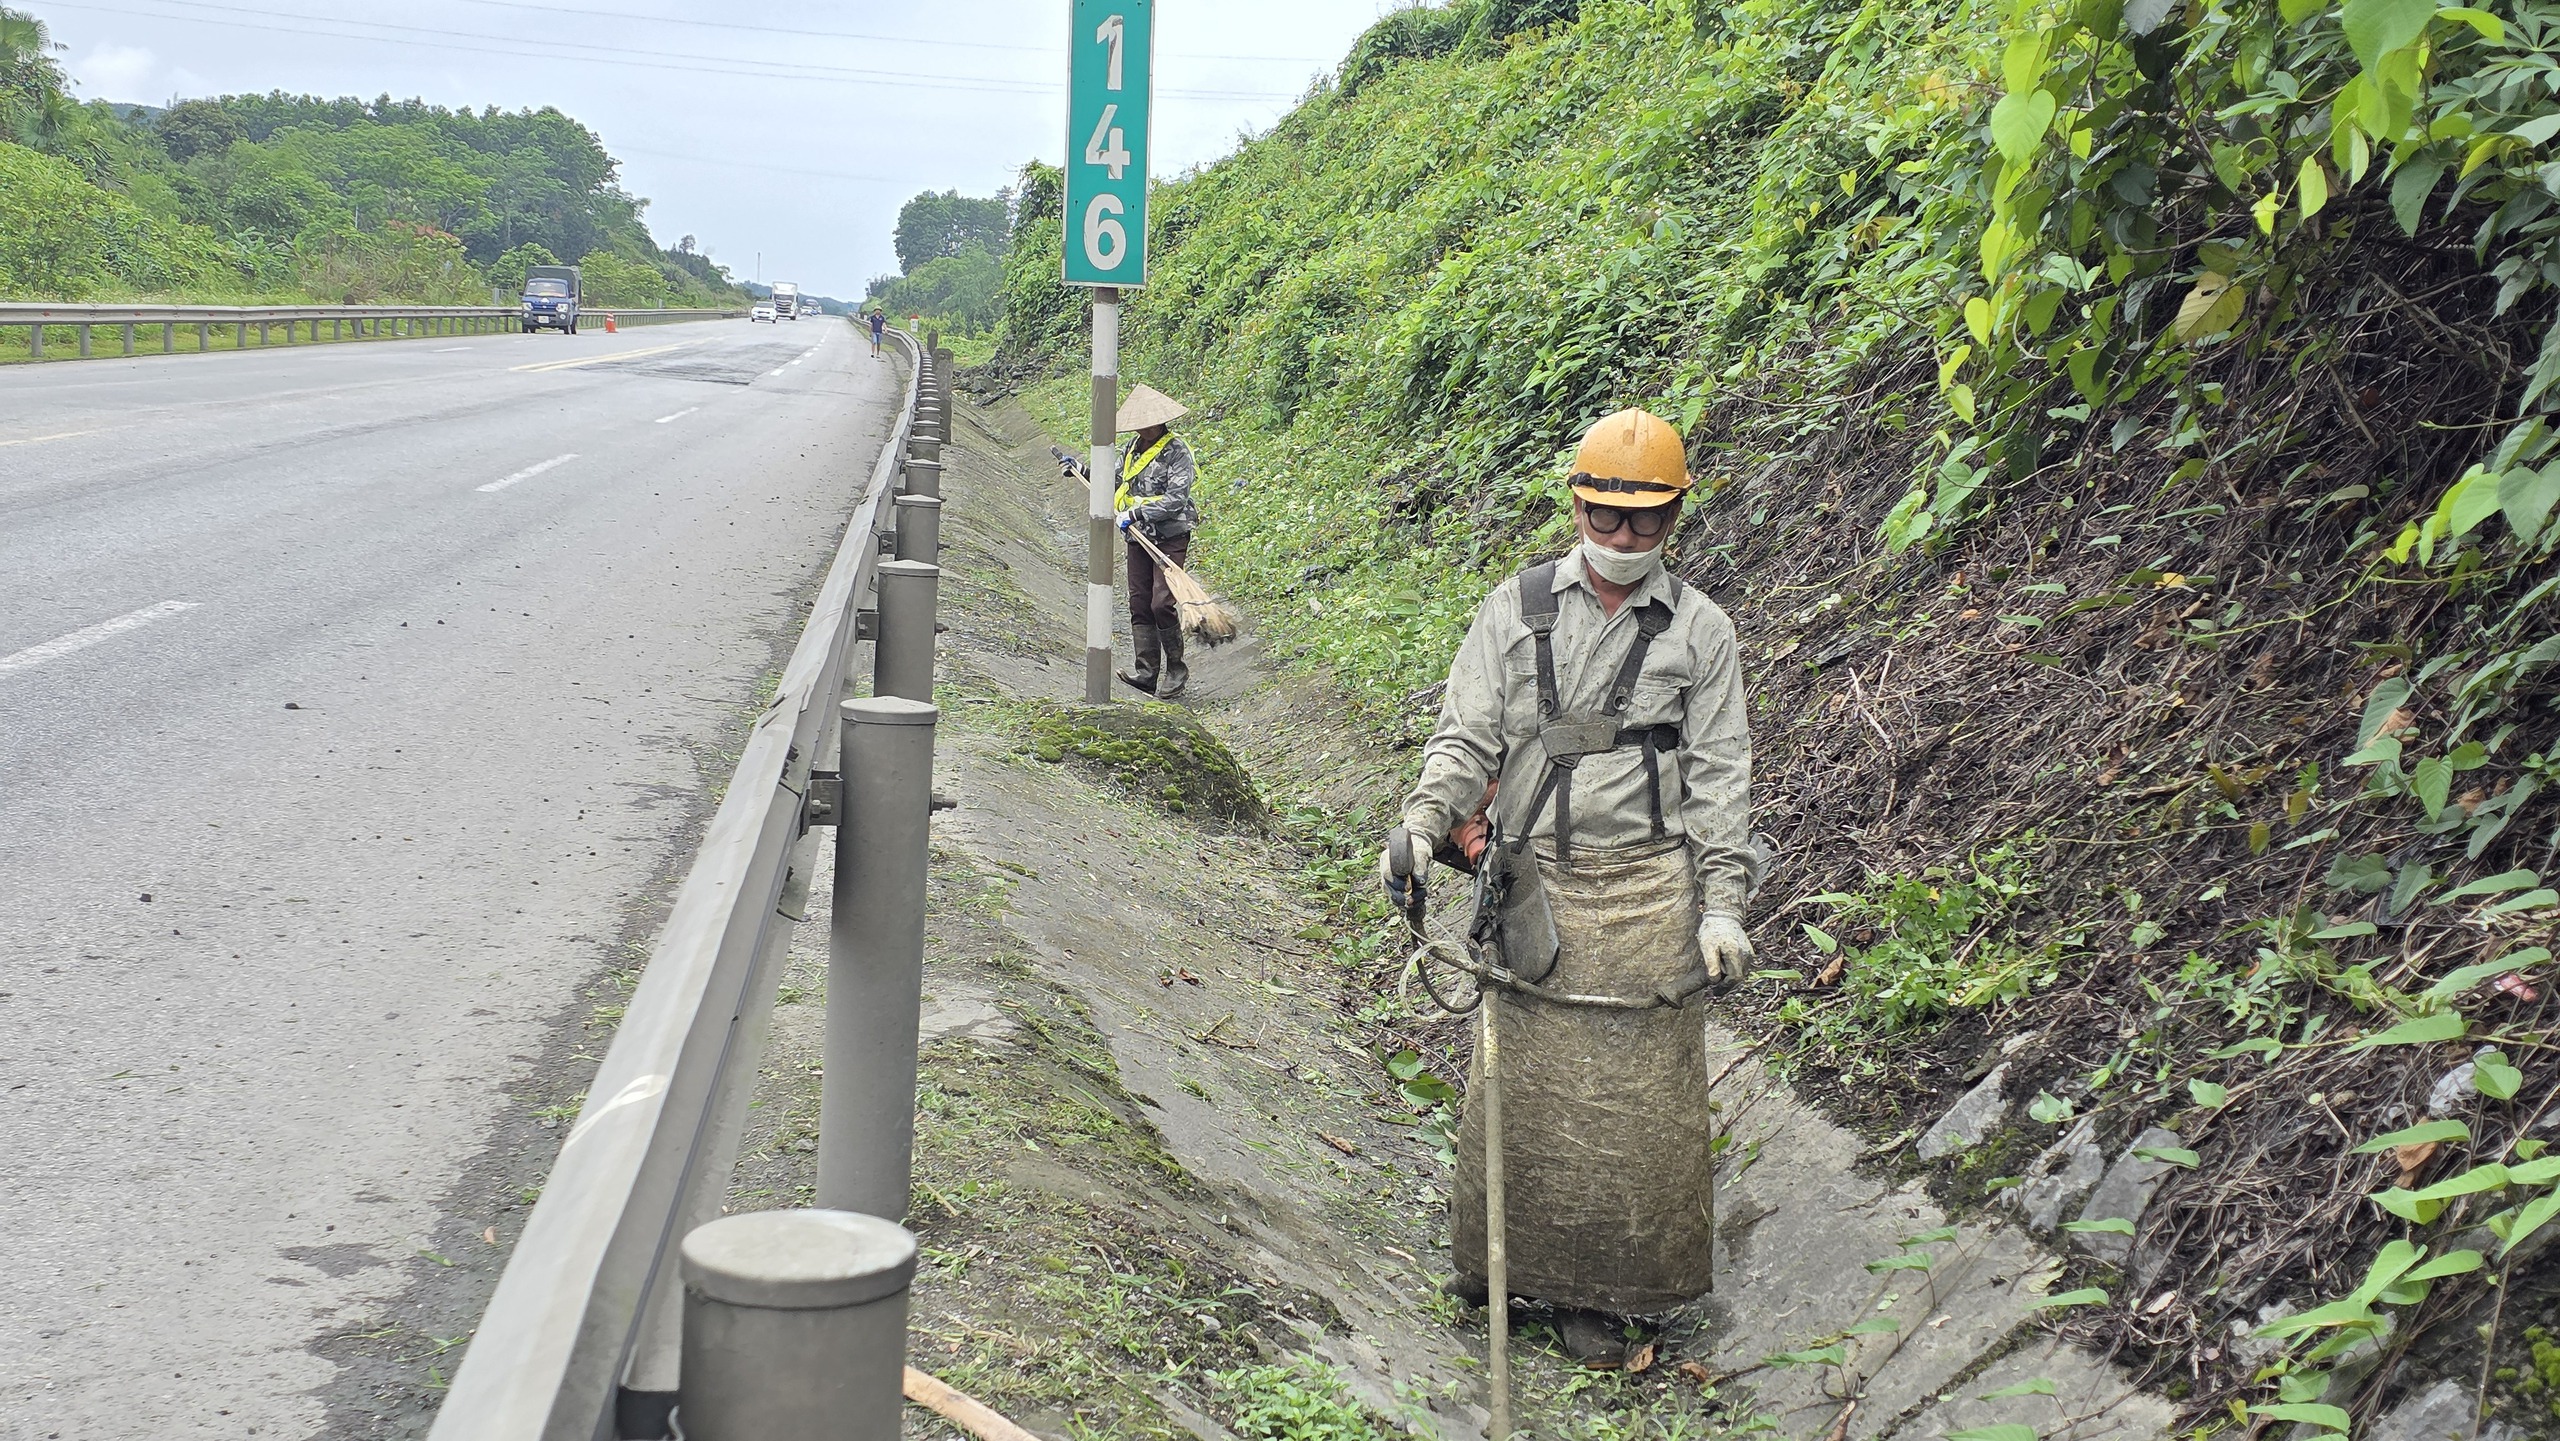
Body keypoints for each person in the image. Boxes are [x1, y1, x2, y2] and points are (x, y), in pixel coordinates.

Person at [1379, 406, 1756, 1364]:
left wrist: (1721, 905)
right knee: (1521, 1096)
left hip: (1646, 900)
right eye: (1607, 517)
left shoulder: (1702, 633)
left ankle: (1615, 1294)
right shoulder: (1517, 608)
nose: (1625, 539)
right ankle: (1501, 1267)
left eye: (1648, 522)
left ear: (1676, 517)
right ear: (1578, 506)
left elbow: (1719, 775)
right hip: (1534, 887)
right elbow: (1466, 734)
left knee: (1633, 1115)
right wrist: (1425, 823)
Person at [1058, 384, 1202, 698]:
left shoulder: (1177, 452)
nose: (1142, 427)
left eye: (1146, 422)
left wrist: (1137, 513)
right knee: (1139, 602)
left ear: (1161, 421)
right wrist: (1080, 469)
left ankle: (1176, 669)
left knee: (1162, 602)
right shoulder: (1132, 449)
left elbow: (1177, 499)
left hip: (1170, 535)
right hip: (1137, 537)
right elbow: (1113, 479)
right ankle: (1146, 672)